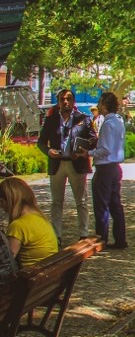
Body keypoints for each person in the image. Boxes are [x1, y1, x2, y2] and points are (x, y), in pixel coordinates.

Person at [36, 88, 93, 245]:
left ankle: (84, 233)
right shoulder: (51, 120)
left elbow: (93, 139)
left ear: (73, 101)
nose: (65, 102)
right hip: (57, 164)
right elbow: (41, 142)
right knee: (56, 202)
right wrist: (48, 151)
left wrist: (82, 151)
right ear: (58, 102)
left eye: (68, 99)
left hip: (77, 163)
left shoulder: (84, 119)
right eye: (62, 99)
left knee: (81, 201)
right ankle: (56, 235)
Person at [89, 91, 127, 250]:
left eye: (100, 103)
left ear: (104, 105)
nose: (98, 106)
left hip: (105, 167)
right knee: (115, 204)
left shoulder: (107, 124)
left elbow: (105, 149)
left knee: (101, 205)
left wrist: (88, 152)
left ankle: (101, 239)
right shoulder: (119, 121)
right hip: (115, 167)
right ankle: (120, 239)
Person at [2, 177, 59, 268]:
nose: (1, 206)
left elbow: (6, 262)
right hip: (48, 272)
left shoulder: (18, 225)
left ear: (10, 200)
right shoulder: (39, 217)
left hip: (31, 275)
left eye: (1, 201)